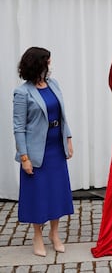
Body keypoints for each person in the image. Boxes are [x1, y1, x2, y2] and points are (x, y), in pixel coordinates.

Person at [13, 47, 74, 257]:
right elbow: (19, 127)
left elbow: (62, 114)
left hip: (56, 148)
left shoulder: (53, 84)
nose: (50, 65)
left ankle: (54, 234)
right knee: (38, 195)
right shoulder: (22, 92)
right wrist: (24, 158)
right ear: (38, 64)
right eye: (48, 61)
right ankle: (37, 235)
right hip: (36, 152)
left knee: (57, 192)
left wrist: (68, 138)